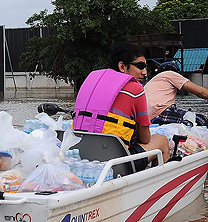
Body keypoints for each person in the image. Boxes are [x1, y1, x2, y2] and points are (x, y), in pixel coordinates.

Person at [73, 42, 170, 170]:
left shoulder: (91, 84)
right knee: (162, 140)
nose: (144, 72)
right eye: (140, 66)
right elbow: (145, 139)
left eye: (145, 67)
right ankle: (158, 187)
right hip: (118, 161)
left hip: (82, 155)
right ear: (122, 66)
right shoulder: (135, 89)